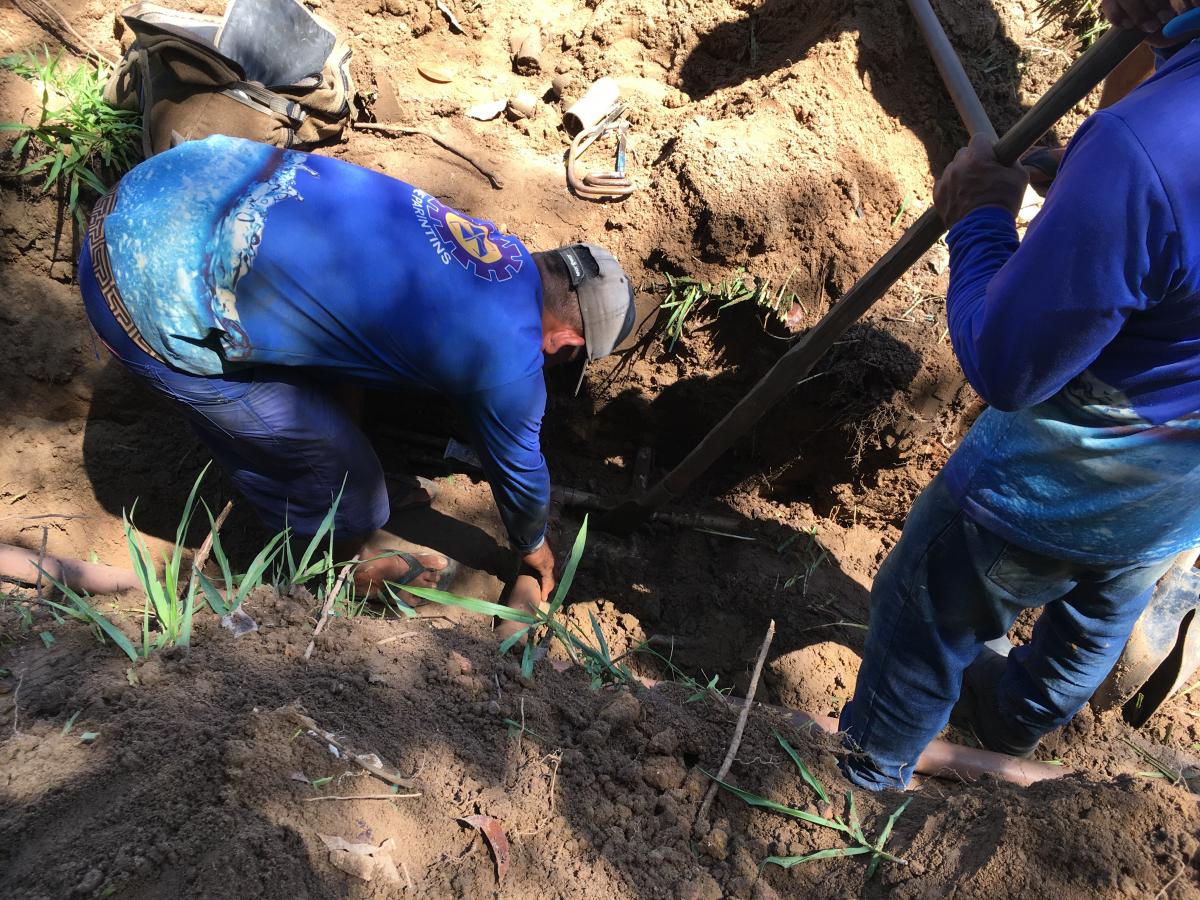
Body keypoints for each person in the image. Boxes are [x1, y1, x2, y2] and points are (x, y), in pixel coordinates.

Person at [839, 5, 1200, 790]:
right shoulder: (1146, 146)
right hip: (1182, 486)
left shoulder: (1148, 148)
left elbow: (1005, 366)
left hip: (1057, 486)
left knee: (921, 601)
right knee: (1097, 617)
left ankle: (869, 771)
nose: (1105, 7)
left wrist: (980, 220)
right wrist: (1089, 195)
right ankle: (1009, 724)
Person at [79, 134, 636, 600]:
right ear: (565, 342)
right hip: (143, 296)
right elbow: (519, 470)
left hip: (169, 185)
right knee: (350, 484)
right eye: (569, 357)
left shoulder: (492, 246)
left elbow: (354, 348)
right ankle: (340, 567)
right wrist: (533, 550)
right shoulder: (508, 354)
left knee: (346, 381)